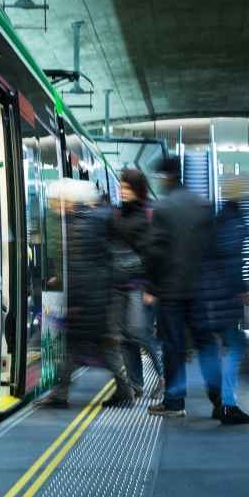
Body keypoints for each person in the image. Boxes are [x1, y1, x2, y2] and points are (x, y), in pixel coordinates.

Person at [146, 155, 219, 418]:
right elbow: (212, 248)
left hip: (171, 291)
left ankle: (175, 402)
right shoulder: (202, 205)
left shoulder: (163, 208)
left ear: (166, 177)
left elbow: (155, 252)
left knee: (173, 347)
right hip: (199, 289)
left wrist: (152, 288)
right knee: (206, 344)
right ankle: (219, 398)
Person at [45, 179, 121, 407]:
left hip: (86, 300)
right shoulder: (87, 222)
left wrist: (75, 302)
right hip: (95, 297)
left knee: (86, 349)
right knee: (87, 349)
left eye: (55, 202)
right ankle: (61, 393)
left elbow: (79, 268)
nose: (52, 207)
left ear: (67, 202)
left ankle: (61, 394)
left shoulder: (76, 228)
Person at [191, 179, 249, 425]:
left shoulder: (218, 220)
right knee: (237, 345)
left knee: (211, 348)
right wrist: (239, 290)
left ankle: (219, 399)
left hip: (206, 296)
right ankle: (228, 404)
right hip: (223, 296)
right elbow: (231, 264)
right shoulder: (233, 223)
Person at [108, 167, 157, 401]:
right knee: (126, 338)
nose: (122, 191)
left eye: (127, 188)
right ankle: (136, 384)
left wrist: (151, 288)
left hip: (140, 285)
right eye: (121, 187)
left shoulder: (147, 215)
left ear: (138, 189)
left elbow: (151, 254)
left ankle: (164, 377)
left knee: (141, 335)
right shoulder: (118, 214)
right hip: (119, 285)